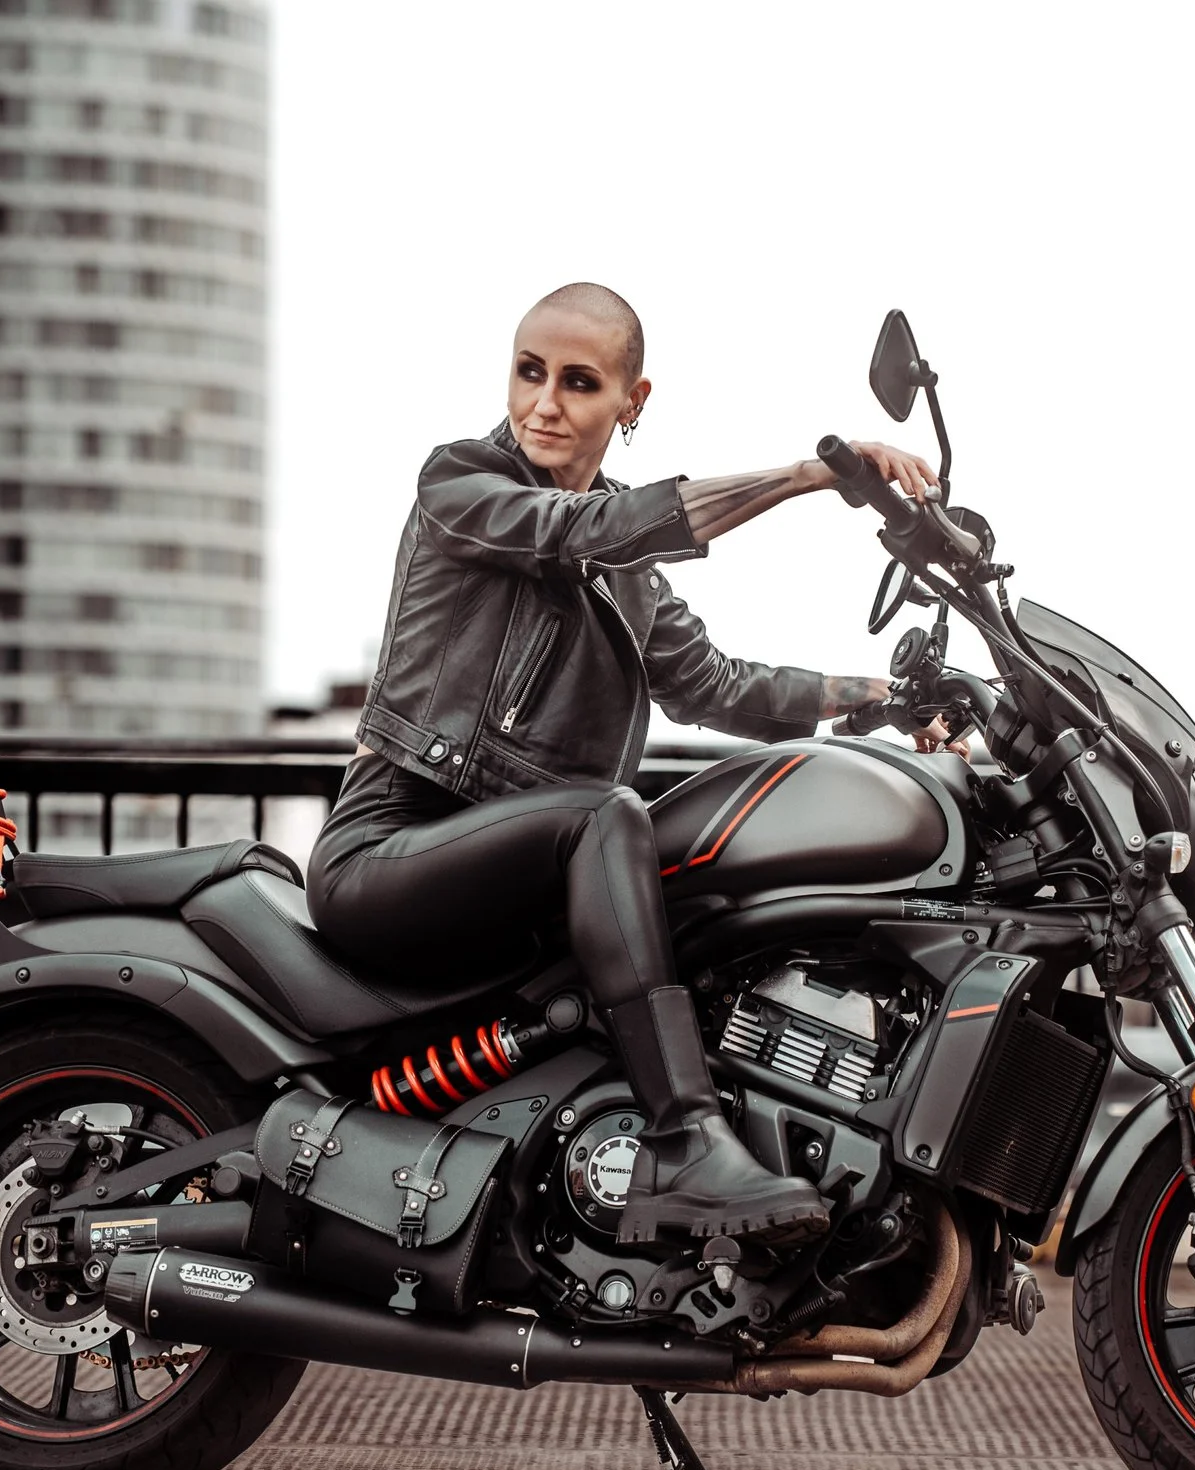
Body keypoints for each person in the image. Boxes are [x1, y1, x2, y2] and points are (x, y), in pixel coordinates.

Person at [308, 282, 946, 1249]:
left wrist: (881, 701)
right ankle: (686, 1138)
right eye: (530, 373)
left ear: (631, 401)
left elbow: (714, 684)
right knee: (609, 814)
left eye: (578, 382)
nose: (544, 405)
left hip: (512, 875)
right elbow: (578, 534)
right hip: (392, 850)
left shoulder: (630, 568)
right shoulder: (458, 484)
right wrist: (806, 477)